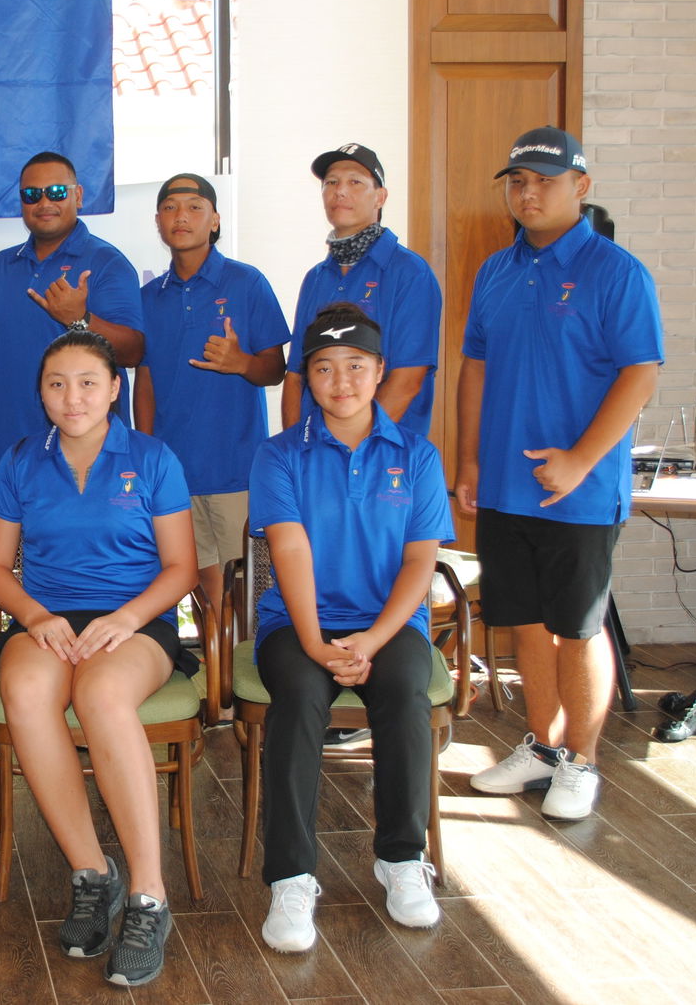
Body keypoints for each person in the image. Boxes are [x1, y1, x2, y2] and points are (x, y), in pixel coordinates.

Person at [0, 331, 197, 987]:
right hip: (46, 618)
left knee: (99, 695)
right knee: (25, 693)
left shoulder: (154, 458)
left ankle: (149, 898)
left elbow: (181, 567)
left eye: (87, 383)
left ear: (113, 389)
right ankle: (91, 874)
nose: (72, 398)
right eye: (56, 384)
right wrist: (37, 617)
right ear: (40, 392)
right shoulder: (20, 461)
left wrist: (125, 619)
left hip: (136, 619)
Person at [460, 127, 662, 821]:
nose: (528, 192)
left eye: (545, 179)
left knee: (578, 628)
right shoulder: (496, 270)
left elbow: (642, 373)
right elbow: (476, 366)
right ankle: (541, 749)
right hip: (507, 488)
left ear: (581, 186)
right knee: (522, 622)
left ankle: (582, 758)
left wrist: (580, 459)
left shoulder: (616, 272)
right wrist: (469, 461)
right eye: (518, 180)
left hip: (578, 489)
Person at [250, 304, 456, 953]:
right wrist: (315, 643)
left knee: (402, 694)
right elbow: (290, 552)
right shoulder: (280, 455)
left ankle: (401, 858)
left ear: (380, 372)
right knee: (301, 697)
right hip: (297, 622)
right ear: (306, 378)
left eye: (356, 367)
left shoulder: (417, 457)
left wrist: (372, 639)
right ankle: (291, 876)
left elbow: (422, 561)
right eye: (325, 369)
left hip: (389, 623)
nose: (342, 381)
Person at [135, 173, 289, 623]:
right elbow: (144, 380)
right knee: (200, 586)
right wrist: (143, 455)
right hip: (172, 472)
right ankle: (215, 684)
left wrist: (240, 361)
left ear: (215, 220)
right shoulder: (146, 298)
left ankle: (243, 684)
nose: (181, 216)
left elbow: (276, 370)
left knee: (244, 587)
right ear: (159, 222)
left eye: (194, 207)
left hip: (235, 468)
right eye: (170, 208)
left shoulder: (246, 282)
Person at [0, 151, 145, 453]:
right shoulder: (1, 267)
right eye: (31, 195)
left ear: (78, 196)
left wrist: (80, 319)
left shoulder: (107, 263)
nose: (44, 203)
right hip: (13, 454)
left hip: (92, 457)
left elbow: (133, 352)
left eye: (56, 192)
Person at [281, 144, 441, 437]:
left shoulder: (409, 272)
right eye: (331, 182)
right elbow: (295, 376)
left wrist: (350, 450)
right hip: (315, 458)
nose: (340, 191)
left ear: (380, 197)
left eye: (355, 182)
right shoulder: (316, 278)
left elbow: (407, 380)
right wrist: (296, 454)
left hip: (384, 459)